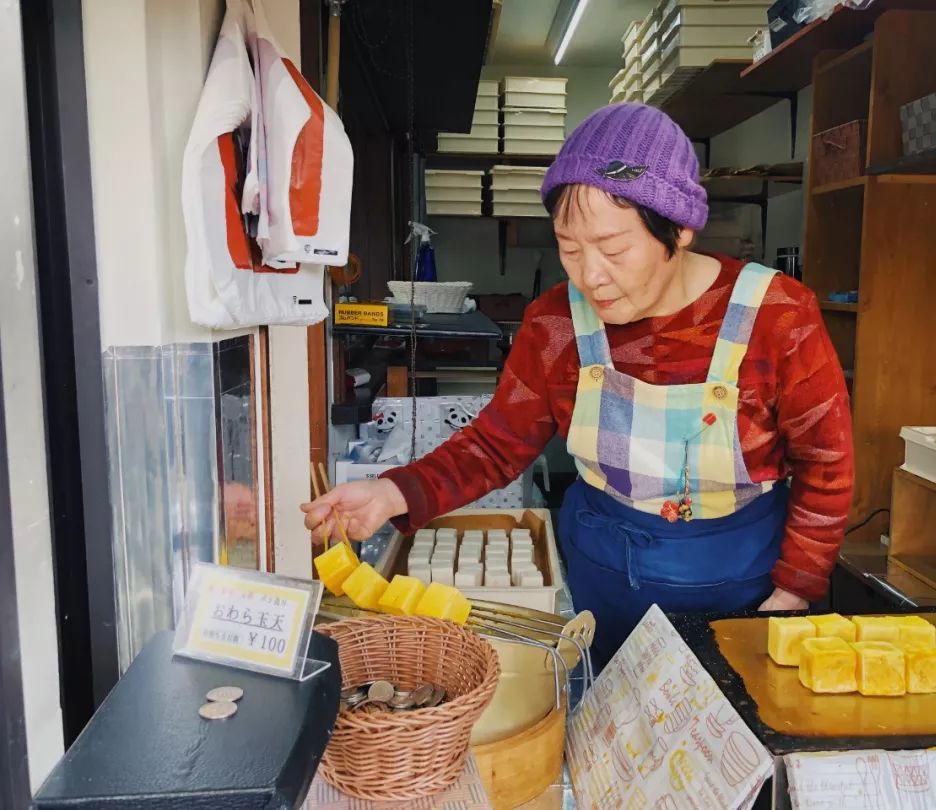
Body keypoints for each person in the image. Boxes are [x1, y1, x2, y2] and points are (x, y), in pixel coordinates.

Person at [303, 103, 854, 669]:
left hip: (743, 586)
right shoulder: (555, 325)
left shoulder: (778, 315)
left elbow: (827, 464)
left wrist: (794, 590)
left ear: (681, 228)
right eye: (569, 249)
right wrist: (394, 493)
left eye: (614, 250)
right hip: (604, 580)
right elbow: (496, 444)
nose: (590, 275)